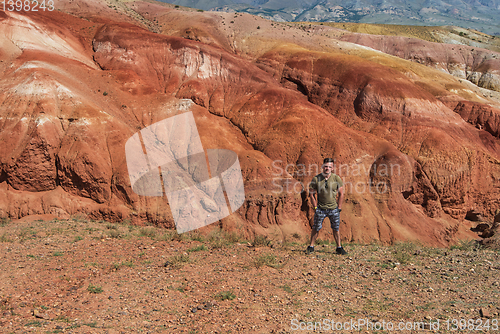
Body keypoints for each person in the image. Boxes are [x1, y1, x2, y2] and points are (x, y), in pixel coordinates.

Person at [307, 158, 346, 255]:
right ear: (322, 167)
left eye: (329, 167)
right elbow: (311, 194)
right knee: (316, 227)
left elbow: (341, 193)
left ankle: (339, 247)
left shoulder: (336, 178)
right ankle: (311, 246)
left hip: (333, 209)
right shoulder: (316, 179)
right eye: (325, 166)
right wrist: (315, 207)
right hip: (321, 209)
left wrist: (339, 207)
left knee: (336, 228)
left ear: (332, 168)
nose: (327, 168)